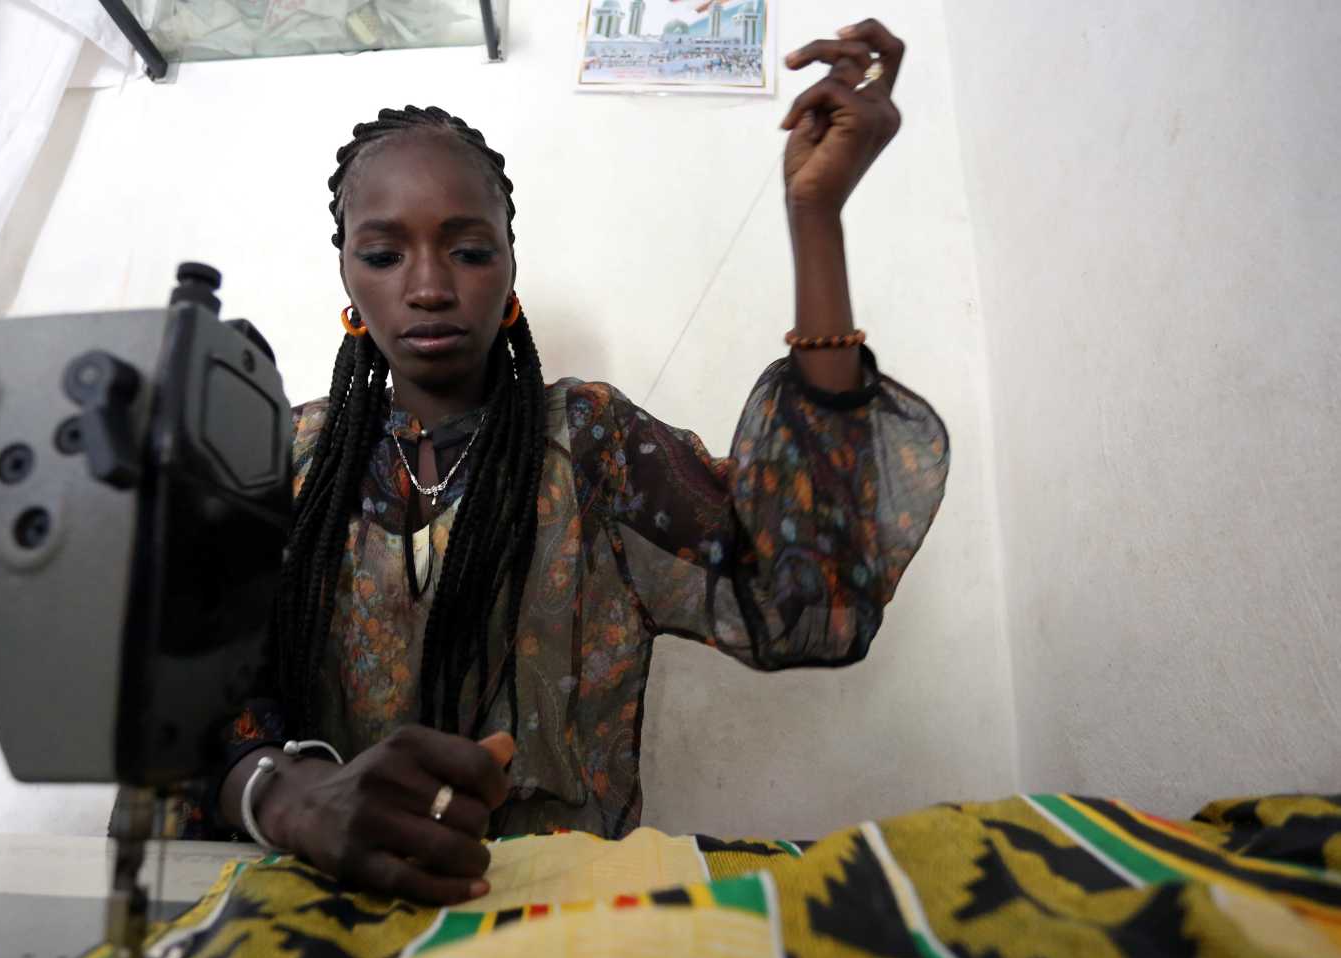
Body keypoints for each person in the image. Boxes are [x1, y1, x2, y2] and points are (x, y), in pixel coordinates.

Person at [198, 18, 948, 906]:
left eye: (469, 249)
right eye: (385, 253)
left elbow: (806, 601)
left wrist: (814, 219)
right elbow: (202, 704)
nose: (430, 284)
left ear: (511, 268)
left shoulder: (591, 446)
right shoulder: (289, 462)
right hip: (322, 907)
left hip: (551, 914)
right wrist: (289, 797)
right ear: (348, 278)